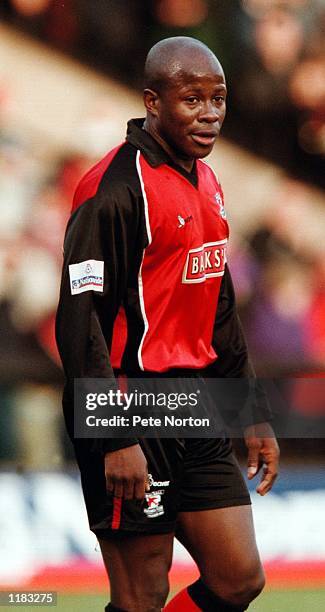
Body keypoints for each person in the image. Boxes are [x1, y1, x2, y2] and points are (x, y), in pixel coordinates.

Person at [56, 36, 279, 612]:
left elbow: (219, 308)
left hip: (195, 401)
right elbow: (80, 323)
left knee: (238, 577)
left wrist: (248, 411)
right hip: (128, 403)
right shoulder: (113, 190)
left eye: (218, 99)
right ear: (153, 102)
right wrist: (115, 435)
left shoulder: (208, 183)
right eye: (192, 100)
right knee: (141, 595)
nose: (210, 114)